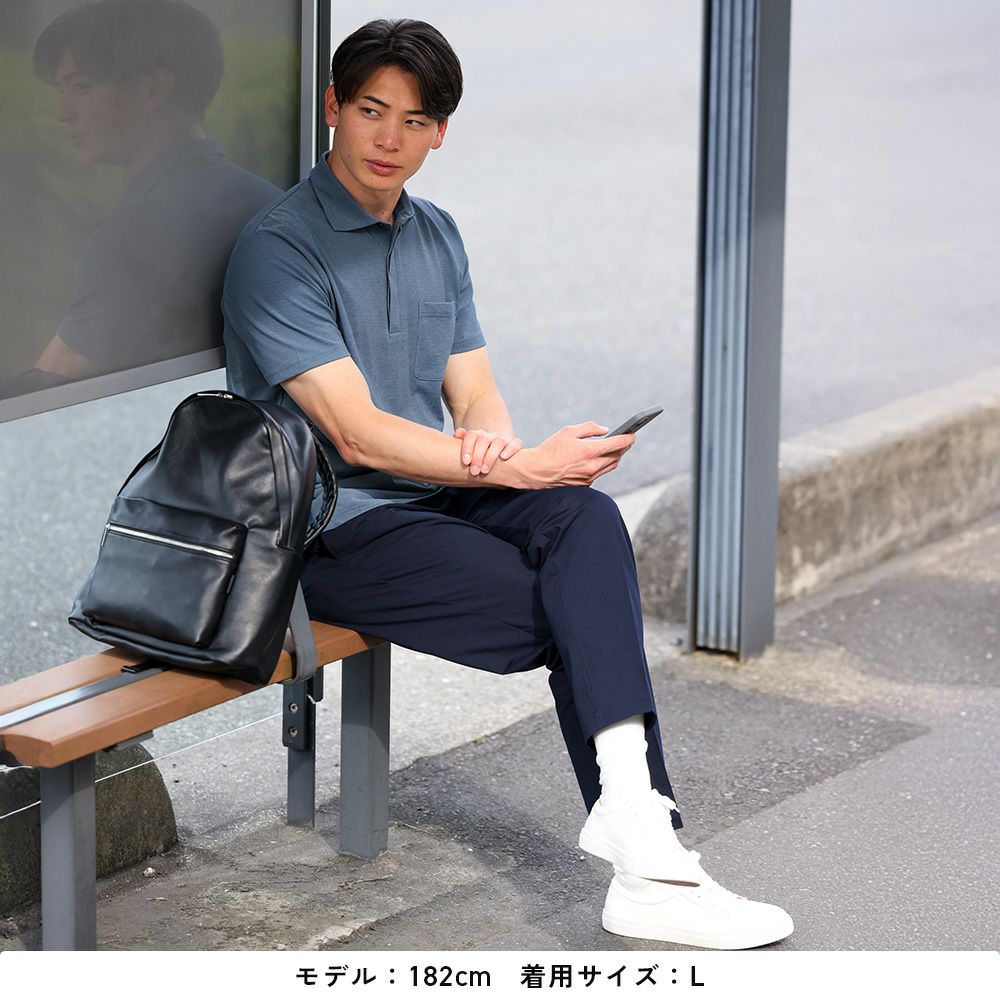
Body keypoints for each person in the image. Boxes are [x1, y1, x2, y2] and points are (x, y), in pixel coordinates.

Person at [222, 18, 793, 949]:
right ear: (333, 107)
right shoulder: (279, 249)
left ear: (440, 132)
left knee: (584, 519)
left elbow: (475, 391)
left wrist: (499, 445)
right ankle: (650, 858)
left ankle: (641, 845)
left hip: (434, 492)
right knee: (576, 613)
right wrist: (516, 466)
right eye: (371, 110)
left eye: (415, 120)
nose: (388, 138)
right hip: (333, 524)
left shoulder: (436, 233)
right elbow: (354, 431)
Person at [23, 0, 280, 383]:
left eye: (80, 86)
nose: (63, 112)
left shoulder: (137, 232)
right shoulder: (272, 203)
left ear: (153, 88)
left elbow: (48, 388)